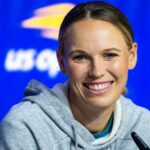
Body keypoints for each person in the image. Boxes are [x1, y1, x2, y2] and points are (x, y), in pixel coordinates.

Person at [0, 1, 150, 150]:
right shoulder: (25, 127)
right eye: (80, 57)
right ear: (61, 62)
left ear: (132, 56)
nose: (97, 72)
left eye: (110, 55)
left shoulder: (145, 126)